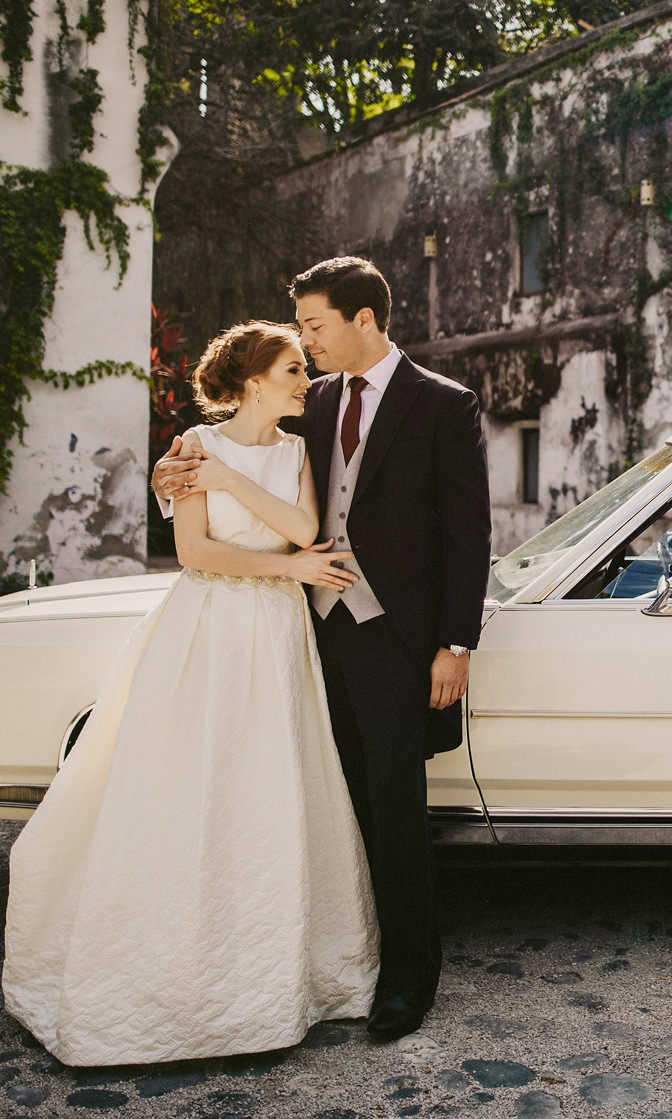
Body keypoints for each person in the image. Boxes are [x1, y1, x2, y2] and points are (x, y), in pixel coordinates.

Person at [3, 322, 376, 1066]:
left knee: (272, 787)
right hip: (211, 626)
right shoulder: (191, 446)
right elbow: (196, 551)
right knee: (193, 784)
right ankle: (172, 975)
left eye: (304, 367)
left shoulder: (292, 450)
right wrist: (286, 566)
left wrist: (237, 482)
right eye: (293, 368)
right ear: (253, 379)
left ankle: (277, 976)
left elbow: (304, 526)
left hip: (275, 636)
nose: (307, 380)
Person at [152, 256, 490, 1042]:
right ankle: (342, 956)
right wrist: (170, 476)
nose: (306, 341)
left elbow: (466, 533)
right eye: (300, 329)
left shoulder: (443, 404)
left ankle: (409, 978)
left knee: (396, 808)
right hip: (306, 635)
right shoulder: (314, 396)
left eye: (314, 324)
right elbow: (241, 445)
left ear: (362, 318)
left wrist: (454, 643)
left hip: (397, 640)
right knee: (326, 806)